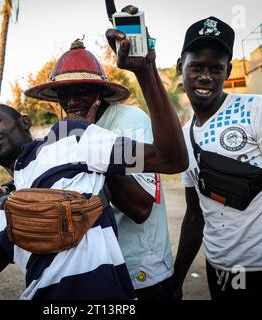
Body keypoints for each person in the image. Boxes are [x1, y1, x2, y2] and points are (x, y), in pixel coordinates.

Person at [0, 21, 188, 299]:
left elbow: (170, 161)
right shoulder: (10, 208)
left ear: (24, 122)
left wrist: (146, 71)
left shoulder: (71, 137)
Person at [24, 7, 177, 299]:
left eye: (83, 89)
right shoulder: (64, 134)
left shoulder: (129, 123)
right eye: (65, 93)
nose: (73, 99)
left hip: (143, 270)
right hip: (102, 273)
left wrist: (87, 145)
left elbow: (141, 208)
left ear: (100, 91)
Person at [172, 16, 262, 300]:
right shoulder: (185, 136)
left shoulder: (258, 109)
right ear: (180, 66)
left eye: (216, 68)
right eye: (197, 66)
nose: (205, 77)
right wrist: (176, 279)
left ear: (227, 71)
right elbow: (194, 215)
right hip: (219, 273)